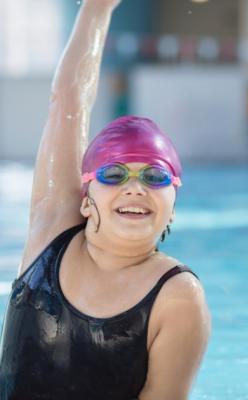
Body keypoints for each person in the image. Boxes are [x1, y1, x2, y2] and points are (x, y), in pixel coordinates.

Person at [0, 1, 211, 399]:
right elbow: (67, 101)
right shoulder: (51, 229)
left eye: (155, 175)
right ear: (84, 198)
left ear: (173, 200)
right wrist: (97, 7)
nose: (135, 187)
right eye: (113, 174)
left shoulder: (178, 297)